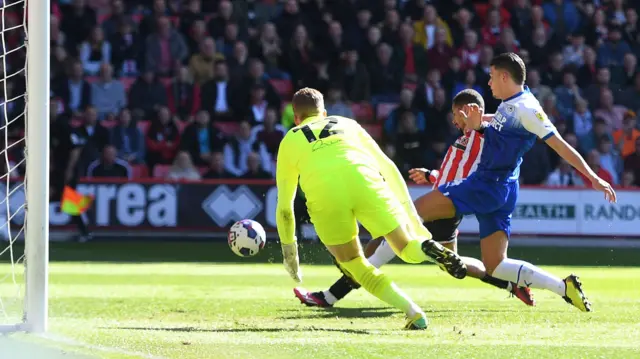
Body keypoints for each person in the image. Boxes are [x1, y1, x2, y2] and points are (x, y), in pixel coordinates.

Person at [412, 53, 617, 312]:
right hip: (503, 188)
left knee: (414, 212)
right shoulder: (512, 102)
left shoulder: (527, 109)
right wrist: (479, 124)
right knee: (495, 265)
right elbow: (502, 131)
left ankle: (403, 257)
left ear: (504, 76)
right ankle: (563, 288)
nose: (488, 83)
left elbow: (560, 145)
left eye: (491, 76)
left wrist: (593, 178)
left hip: (487, 184)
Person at [293, 90, 534, 308]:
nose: (454, 121)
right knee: (452, 263)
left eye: (456, 115)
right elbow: (457, 174)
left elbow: (472, 174)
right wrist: (432, 175)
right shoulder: (466, 137)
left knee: (384, 242)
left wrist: (483, 121)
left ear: (466, 111)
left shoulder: (481, 137)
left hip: (444, 205)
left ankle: (330, 295)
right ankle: (510, 283)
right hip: (444, 203)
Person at [275, 88, 467, 330]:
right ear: (323, 113)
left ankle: (413, 311)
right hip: (365, 181)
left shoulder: (290, 140)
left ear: (296, 118)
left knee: (354, 263)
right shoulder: (347, 123)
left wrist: (290, 253)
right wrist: (411, 214)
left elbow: (284, 207)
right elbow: (388, 166)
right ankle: (429, 248)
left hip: (327, 196)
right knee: (407, 248)